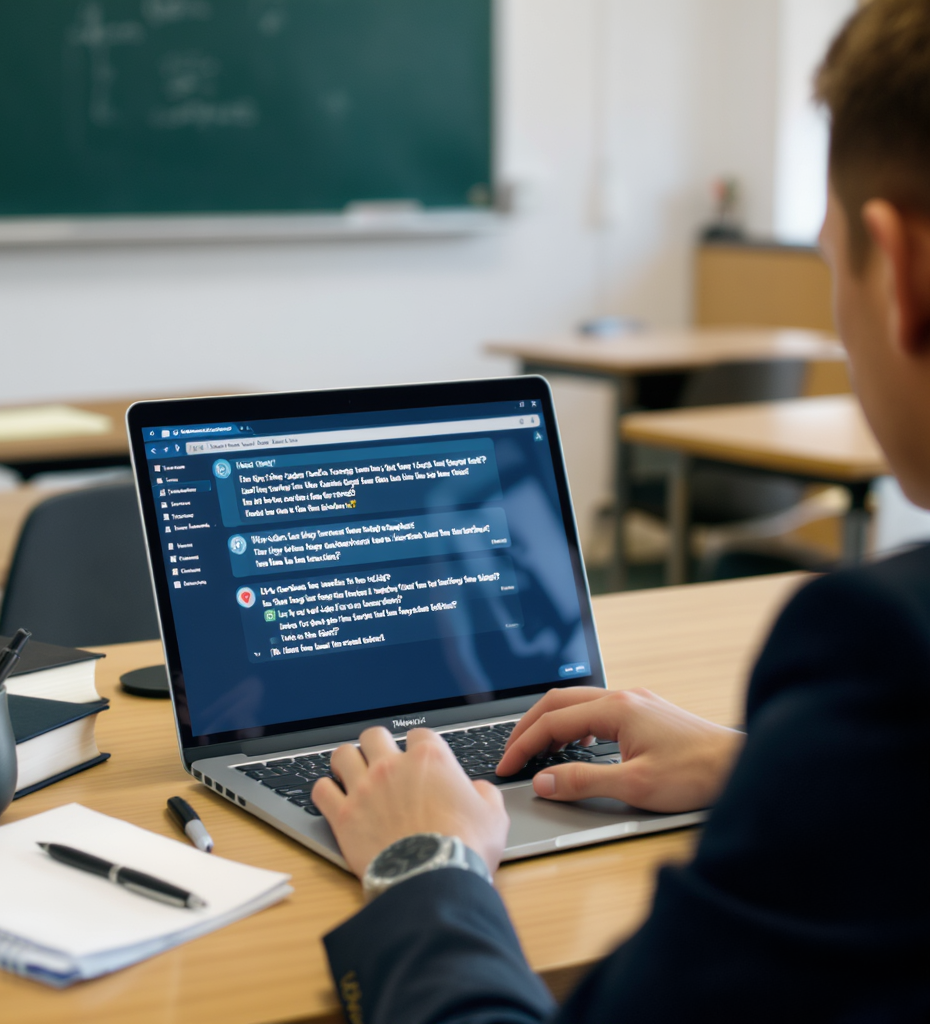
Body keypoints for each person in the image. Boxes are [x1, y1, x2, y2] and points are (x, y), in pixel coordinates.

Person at [311, 1, 930, 1020]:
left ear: (900, 270)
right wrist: (756, 765)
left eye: (830, 264)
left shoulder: (885, 657)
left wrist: (424, 864)